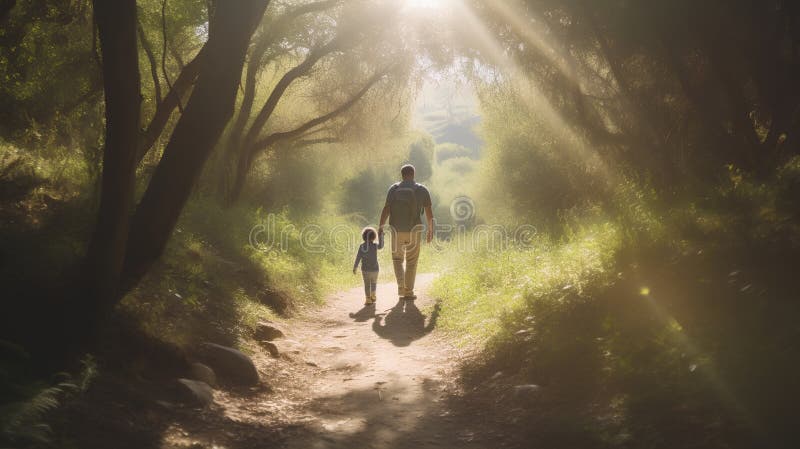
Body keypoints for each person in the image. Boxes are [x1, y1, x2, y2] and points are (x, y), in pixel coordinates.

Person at [378, 164, 433, 300]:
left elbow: (386, 209)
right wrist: (431, 230)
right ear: (413, 174)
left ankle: (401, 287)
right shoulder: (422, 190)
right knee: (412, 261)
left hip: (397, 230)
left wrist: (380, 226)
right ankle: (408, 291)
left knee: (397, 259)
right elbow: (429, 213)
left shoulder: (394, 189)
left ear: (402, 175)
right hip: (414, 229)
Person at [353, 226, 384, 305]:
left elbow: (358, 257)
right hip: (375, 269)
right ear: (374, 237)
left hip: (365, 269)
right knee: (374, 283)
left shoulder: (362, 246)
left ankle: (368, 299)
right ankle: (373, 294)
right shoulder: (375, 245)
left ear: (363, 236)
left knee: (367, 284)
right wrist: (381, 235)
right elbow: (381, 246)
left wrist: (355, 267)